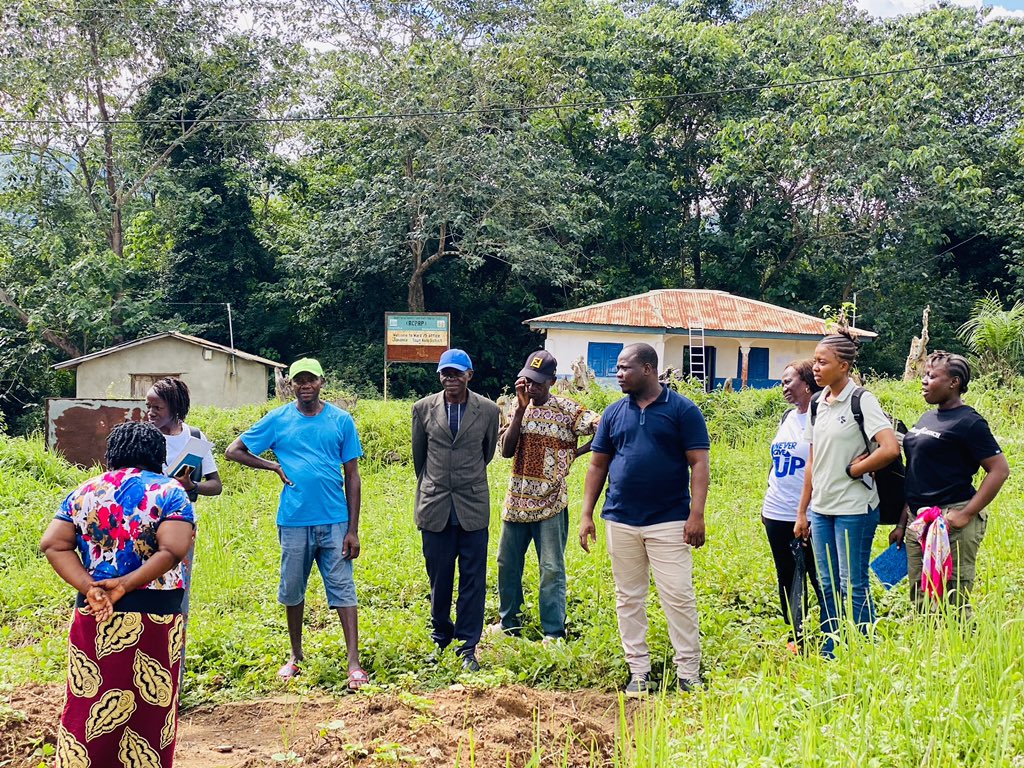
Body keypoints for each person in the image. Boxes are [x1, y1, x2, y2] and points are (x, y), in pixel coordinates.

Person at [41, 421, 194, 768]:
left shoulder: (83, 491)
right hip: (155, 616)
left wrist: (90, 587)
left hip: (96, 613)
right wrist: (126, 584)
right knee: (150, 711)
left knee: (89, 701)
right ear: (159, 455)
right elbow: (172, 550)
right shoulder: (170, 491)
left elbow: (53, 543)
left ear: (111, 455)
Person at [225, 358, 367, 689]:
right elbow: (234, 450)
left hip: (334, 521)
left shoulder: (341, 421)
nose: (305, 385)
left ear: (321, 382)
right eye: (298, 380)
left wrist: (353, 529)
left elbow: (353, 476)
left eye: (311, 379)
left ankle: (354, 663)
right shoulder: (278, 419)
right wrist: (272, 466)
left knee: (343, 589)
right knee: (292, 589)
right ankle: (296, 656)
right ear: (290, 385)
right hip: (293, 520)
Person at [579, 343, 710, 696]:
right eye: (618, 369)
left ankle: (689, 672)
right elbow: (597, 465)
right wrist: (586, 514)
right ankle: (638, 671)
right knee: (629, 598)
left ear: (649, 369)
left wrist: (696, 515)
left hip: (669, 520)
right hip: (620, 519)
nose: (618, 374)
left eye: (625, 368)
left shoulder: (683, 410)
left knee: (678, 595)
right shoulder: (612, 413)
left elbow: (699, 463)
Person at [794, 329, 900, 657]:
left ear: (843, 366)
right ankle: (832, 647)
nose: (815, 367)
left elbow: (890, 448)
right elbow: (813, 461)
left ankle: (862, 649)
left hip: (855, 507)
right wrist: (803, 511)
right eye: (815, 361)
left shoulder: (861, 400)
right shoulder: (817, 403)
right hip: (822, 509)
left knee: (851, 584)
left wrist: (857, 469)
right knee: (827, 585)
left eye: (823, 362)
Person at [496, 350, 599, 642]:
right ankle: (509, 624)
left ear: (553, 381)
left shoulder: (567, 409)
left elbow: (602, 425)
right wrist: (519, 410)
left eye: (539, 382)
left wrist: (575, 453)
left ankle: (553, 631)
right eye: (528, 380)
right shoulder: (516, 408)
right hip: (516, 501)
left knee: (551, 568)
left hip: (551, 503)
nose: (532, 386)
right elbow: (506, 451)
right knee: (507, 563)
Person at [894, 351, 1009, 611]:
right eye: (924, 374)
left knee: (952, 600)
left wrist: (965, 514)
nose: (924, 381)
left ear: (954, 383)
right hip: (917, 520)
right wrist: (903, 522)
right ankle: (924, 649)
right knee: (920, 598)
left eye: (932, 376)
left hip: (951, 520)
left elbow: (999, 470)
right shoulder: (927, 418)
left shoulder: (970, 422)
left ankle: (960, 648)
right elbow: (916, 472)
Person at [412, 348, 500, 671]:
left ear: (469, 376)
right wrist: (436, 486)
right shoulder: (422, 409)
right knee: (439, 575)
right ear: (439, 376)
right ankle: (440, 635)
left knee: (473, 578)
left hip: (472, 504)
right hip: (435, 505)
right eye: (445, 374)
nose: (450, 379)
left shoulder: (488, 411)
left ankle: (467, 646)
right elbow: (419, 459)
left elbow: (487, 452)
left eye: (456, 373)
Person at [146, 377, 222, 686]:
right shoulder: (144, 436)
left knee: (178, 598)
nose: (150, 413)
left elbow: (216, 485)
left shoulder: (194, 438)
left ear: (175, 408)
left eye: (157, 407)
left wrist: (193, 487)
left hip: (180, 528)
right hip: (145, 527)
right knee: (145, 596)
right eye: (147, 406)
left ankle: (174, 672)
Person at [761, 360, 826, 653]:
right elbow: (777, 463)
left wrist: (807, 512)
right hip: (776, 511)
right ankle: (795, 636)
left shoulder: (821, 417)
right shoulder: (788, 417)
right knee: (786, 575)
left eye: (789, 381)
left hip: (810, 514)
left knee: (818, 575)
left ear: (808, 383)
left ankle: (831, 634)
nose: (783, 387)